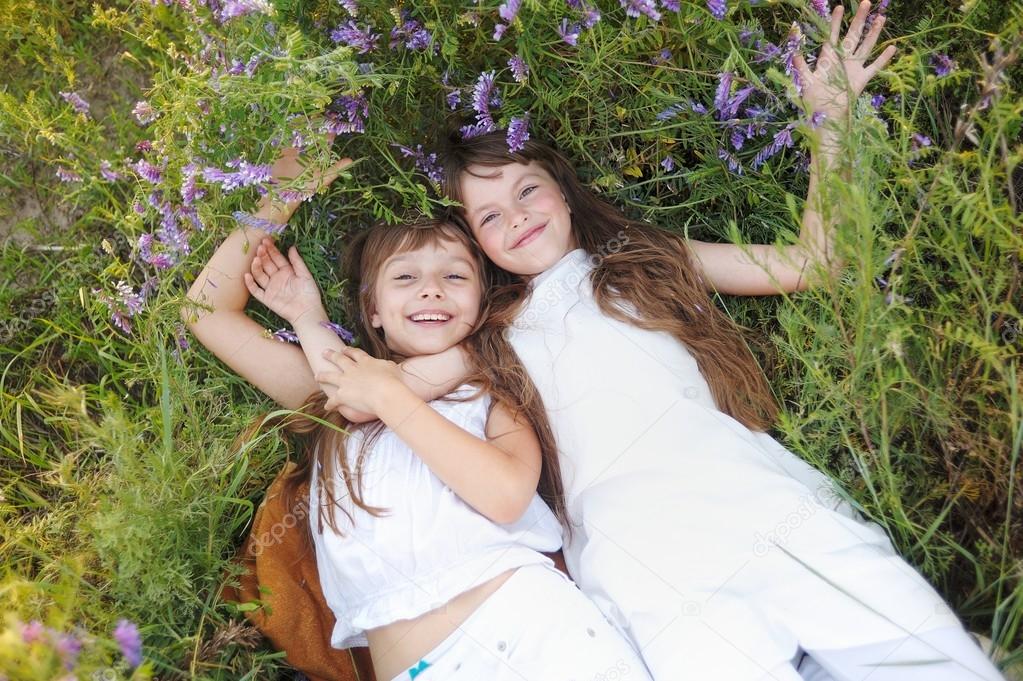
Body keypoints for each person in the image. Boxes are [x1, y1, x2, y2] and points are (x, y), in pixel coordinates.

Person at [322, 2, 1007, 679]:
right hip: (645, 567)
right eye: (490, 216)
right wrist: (317, 333)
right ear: (478, 245)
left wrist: (829, 119)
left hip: (764, 506)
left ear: (562, 189)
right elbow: (363, 397)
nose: (519, 217)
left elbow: (814, 261)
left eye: (528, 189)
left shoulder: (646, 259)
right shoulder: (492, 336)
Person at [183, 148, 654, 681]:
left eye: (455, 276)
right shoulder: (328, 401)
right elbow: (207, 311)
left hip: (536, 635)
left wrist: (390, 399)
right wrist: (285, 195)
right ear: (374, 312)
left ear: (481, 302)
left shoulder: (492, 390)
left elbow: (504, 495)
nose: (431, 287)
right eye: (405, 277)